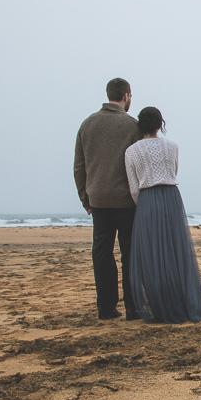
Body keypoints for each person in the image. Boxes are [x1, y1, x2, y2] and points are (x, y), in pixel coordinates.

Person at [124, 106, 201, 323]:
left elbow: (134, 189)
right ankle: (181, 301)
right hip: (172, 197)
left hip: (147, 200)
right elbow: (173, 172)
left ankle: (160, 305)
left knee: (153, 255)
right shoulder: (172, 146)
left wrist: (144, 205)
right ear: (160, 124)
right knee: (175, 251)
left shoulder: (131, 151)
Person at [74, 78, 141, 320]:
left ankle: (105, 306)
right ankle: (132, 306)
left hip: (98, 199)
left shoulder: (87, 124)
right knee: (130, 253)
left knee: (101, 253)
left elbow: (79, 166)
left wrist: (85, 198)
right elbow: (139, 165)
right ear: (126, 96)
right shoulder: (132, 126)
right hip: (126, 200)